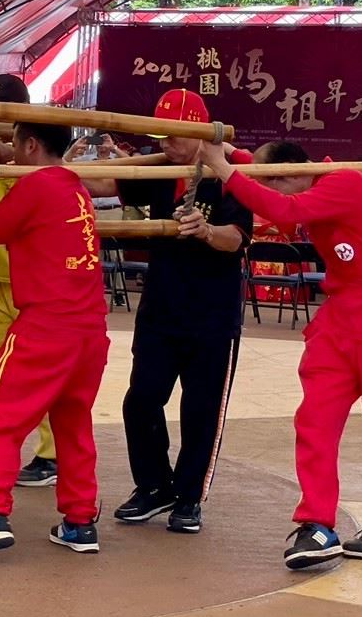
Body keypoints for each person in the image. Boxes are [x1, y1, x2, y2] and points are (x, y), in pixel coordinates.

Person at [200, 138, 362, 569]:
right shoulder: (306, 178)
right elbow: (273, 181)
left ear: (289, 173)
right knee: (315, 422)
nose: (266, 196)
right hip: (340, 319)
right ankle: (317, 523)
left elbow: (284, 208)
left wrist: (225, 169)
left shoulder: (343, 182)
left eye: (272, 182)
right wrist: (231, 154)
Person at [0, 120, 109, 558]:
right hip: (90, 330)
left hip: (47, 326)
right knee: (73, 426)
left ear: (31, 144)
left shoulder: (36, 186)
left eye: (13, 143)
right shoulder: (75, 188)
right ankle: (80, 521)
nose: (10, 151)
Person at [96, 90, 251, 535]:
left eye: (175, 135)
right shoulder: (158, 168)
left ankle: (188, 497)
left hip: (212, 315)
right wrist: (57, 165)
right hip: (161, 307)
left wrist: (206, 231)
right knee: (141, 400)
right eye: (161, 134)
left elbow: (237, 238)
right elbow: (105, 185)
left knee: (201, 410)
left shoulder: (231, 170)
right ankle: (153, 485)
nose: (167, 143)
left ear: (199, 131)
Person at [0, 75, 58, 486]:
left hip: (39, 288)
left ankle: (51, 455)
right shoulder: (1, 146)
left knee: (48, 373)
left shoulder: (27, 154)